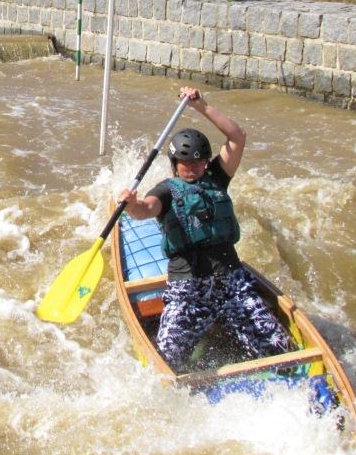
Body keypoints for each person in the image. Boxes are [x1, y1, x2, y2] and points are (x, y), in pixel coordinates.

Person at [117, 85, 290, 372]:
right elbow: (144, 210)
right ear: (175, 164)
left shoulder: (217, 178)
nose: (194, 167)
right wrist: (130, 204)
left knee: (276, 345)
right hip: (189, 288)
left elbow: (237, 136)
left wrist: (202, 106)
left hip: (231, 281)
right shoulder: (166, 191)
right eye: (187, 162)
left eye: (199, 160)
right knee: (168, 357)